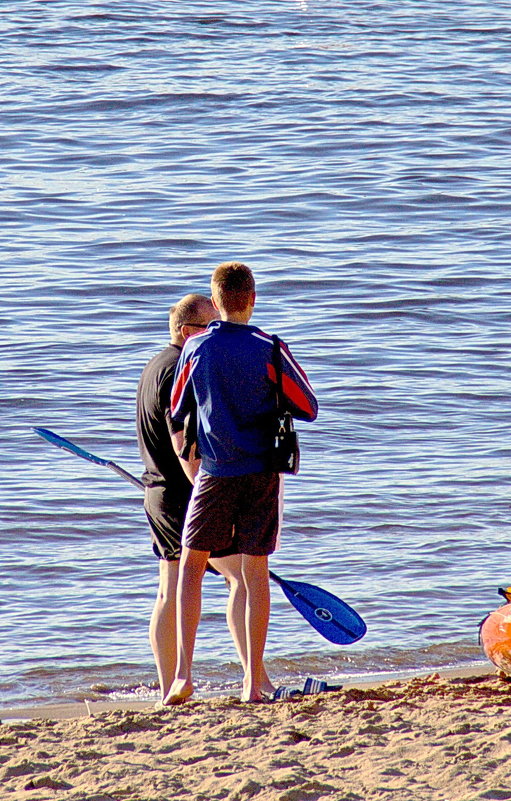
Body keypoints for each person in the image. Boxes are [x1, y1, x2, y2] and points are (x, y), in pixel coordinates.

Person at [163, 263, 318, 704]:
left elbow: (177, 409)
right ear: (251, 300)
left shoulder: (196, 348)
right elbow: (308, 405)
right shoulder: (270, 347)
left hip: (214, 471)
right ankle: (252, 681)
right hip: (261, 473)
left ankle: (183, 675)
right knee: (255, 574)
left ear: (216, 301)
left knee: (192, 569)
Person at [135, 294, 276, 702]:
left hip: (157, 491)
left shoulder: (153, 365)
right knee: (240, 579)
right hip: (187, 491)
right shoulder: (181, 365)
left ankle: (171, 686)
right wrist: (204, 490)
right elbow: (182, 439)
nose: (216, 331)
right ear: (187, 332)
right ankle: (256, 677)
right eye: (209, 324)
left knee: (172, 587)